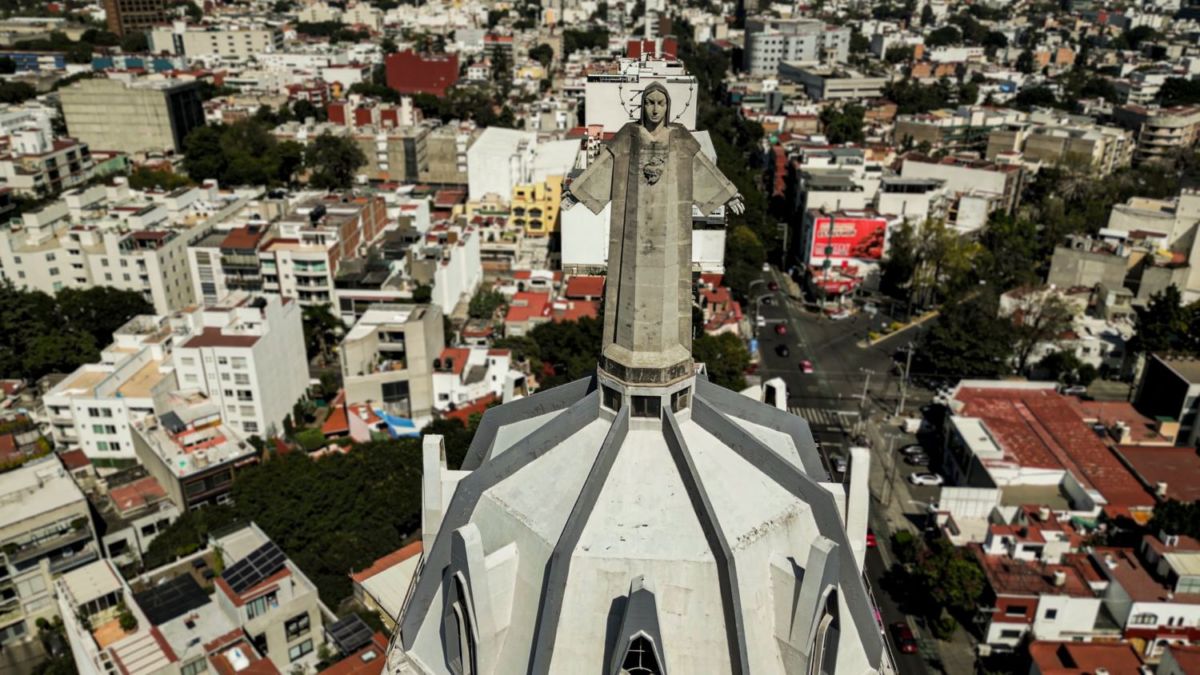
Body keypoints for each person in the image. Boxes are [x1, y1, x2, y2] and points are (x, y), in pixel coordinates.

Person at [567, 83, 745, 385]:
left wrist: (729, 195)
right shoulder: (629, 136)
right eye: (649, 103)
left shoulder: (678, 138)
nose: (654, 109)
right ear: (642, 106)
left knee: (670, 290)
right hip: (631, 231)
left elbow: (701, 167)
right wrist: (575, 194)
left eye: (660, 103)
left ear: (668, 107)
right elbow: (604, 165)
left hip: (669, 233)